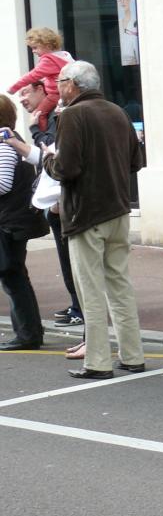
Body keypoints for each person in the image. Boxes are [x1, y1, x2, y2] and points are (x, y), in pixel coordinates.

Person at [42, 60, 145, 379]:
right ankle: (132, 355)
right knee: (120, 285)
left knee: (90, 289)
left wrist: (48, 159)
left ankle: (98, 361)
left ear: (73, 84)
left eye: (59, 81)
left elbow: (66, 169)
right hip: (118, 209)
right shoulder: (117, 111)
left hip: (86, 213)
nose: (56, 87)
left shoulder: (72, 115)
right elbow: (135, 161)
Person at [9, 84, 82, 335]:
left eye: (27, 92)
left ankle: (80, 311)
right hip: (57, 204)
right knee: (70, 263)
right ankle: (77, 307)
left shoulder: (60, 118)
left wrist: (32, 131)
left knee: (78, 265)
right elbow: (45, 157)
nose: (22, 99)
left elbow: (53, 157)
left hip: (67, 205)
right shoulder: (50, 119)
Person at [0, 96, 48, 350]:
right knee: (14, 275)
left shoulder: (4, 144)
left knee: (12, 276)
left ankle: (28, 334)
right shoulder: (9, 140)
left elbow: (3, 184)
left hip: (9, 222)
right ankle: (28, 331)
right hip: (13, 220)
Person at [8, 27, 73, 141]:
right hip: (63, 92)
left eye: (35, 48)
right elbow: (51, 76)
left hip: (54, 94)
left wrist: (14, 87)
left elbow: (33, 75)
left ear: (47, 45)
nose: (33, 51)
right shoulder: (63, 56)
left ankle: (44, 136)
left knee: (39, 114)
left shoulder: (48, 60)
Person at [117, 0, 140, 66]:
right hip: (122, 67)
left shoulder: (136, 22)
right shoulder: (118, 24)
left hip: (136, 66)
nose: (122, 1)